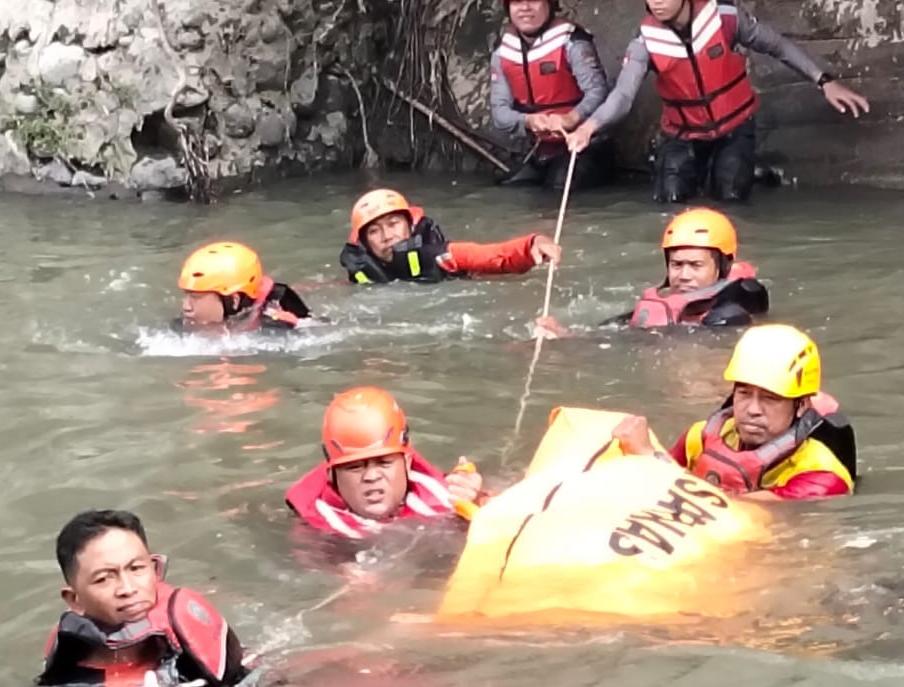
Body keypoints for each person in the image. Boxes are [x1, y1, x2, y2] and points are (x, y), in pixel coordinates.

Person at [565, 0, 870, 203]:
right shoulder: (644, 41)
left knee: (731, 201)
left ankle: (748, 174)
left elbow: (777, 46)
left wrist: (824, 81)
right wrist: (589, 128)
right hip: (681, 135)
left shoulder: (725, 17)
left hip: (733, 129)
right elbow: (623, 96)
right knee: (671, 206)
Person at [613, 323, 856, 500]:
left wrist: (649, 457)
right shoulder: (698, 438)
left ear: (801, 405)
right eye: (744, 393)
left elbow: (735, 508)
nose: (752, 410)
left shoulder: (822, 477)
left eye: (770, 399)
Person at [37, 509, 249, 687]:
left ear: (155, 569)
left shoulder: (190, 639)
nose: (128, 589)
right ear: (74, 600)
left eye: (136, 568)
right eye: (104, 579)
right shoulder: (70, 683)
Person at [286, 386, 487, 538]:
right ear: (332, 475)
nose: (372, 477)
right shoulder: (315, 523)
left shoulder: (444, 495)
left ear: (407, 462)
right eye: (355, 467)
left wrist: (476, 505)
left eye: (384, 463)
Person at [536, 207, 768, 338]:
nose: (683, 275)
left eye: (696, 266)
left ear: (724, 267)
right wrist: (565, 334)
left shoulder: (730, 316)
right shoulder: (665, 305)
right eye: (676, 265)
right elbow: (617, 331)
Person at [488, 0, 611, 190]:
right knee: (509, 187)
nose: (525, 9)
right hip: (540, 148)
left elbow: (598, 92)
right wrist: (528, 121)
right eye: (517, 2)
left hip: (583, 144)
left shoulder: (572, 43)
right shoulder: (502, 54)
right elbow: (500, 114)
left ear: (550, 4)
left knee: (561, 187)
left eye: (533, 1)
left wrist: (571, 119)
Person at [340, 187, 560, 285]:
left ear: (410, 225)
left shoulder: (442, 256)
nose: (387, 236)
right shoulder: (363, 274)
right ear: (365, 243)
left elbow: (491, 255)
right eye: (374, 231)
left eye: (393, 223)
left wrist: (532, 244)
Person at [177, 241, 309, 333]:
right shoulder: (181, 325)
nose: (186, 307)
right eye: (187, 295)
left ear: (234, 301)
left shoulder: (275, 327)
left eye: (196, 297)